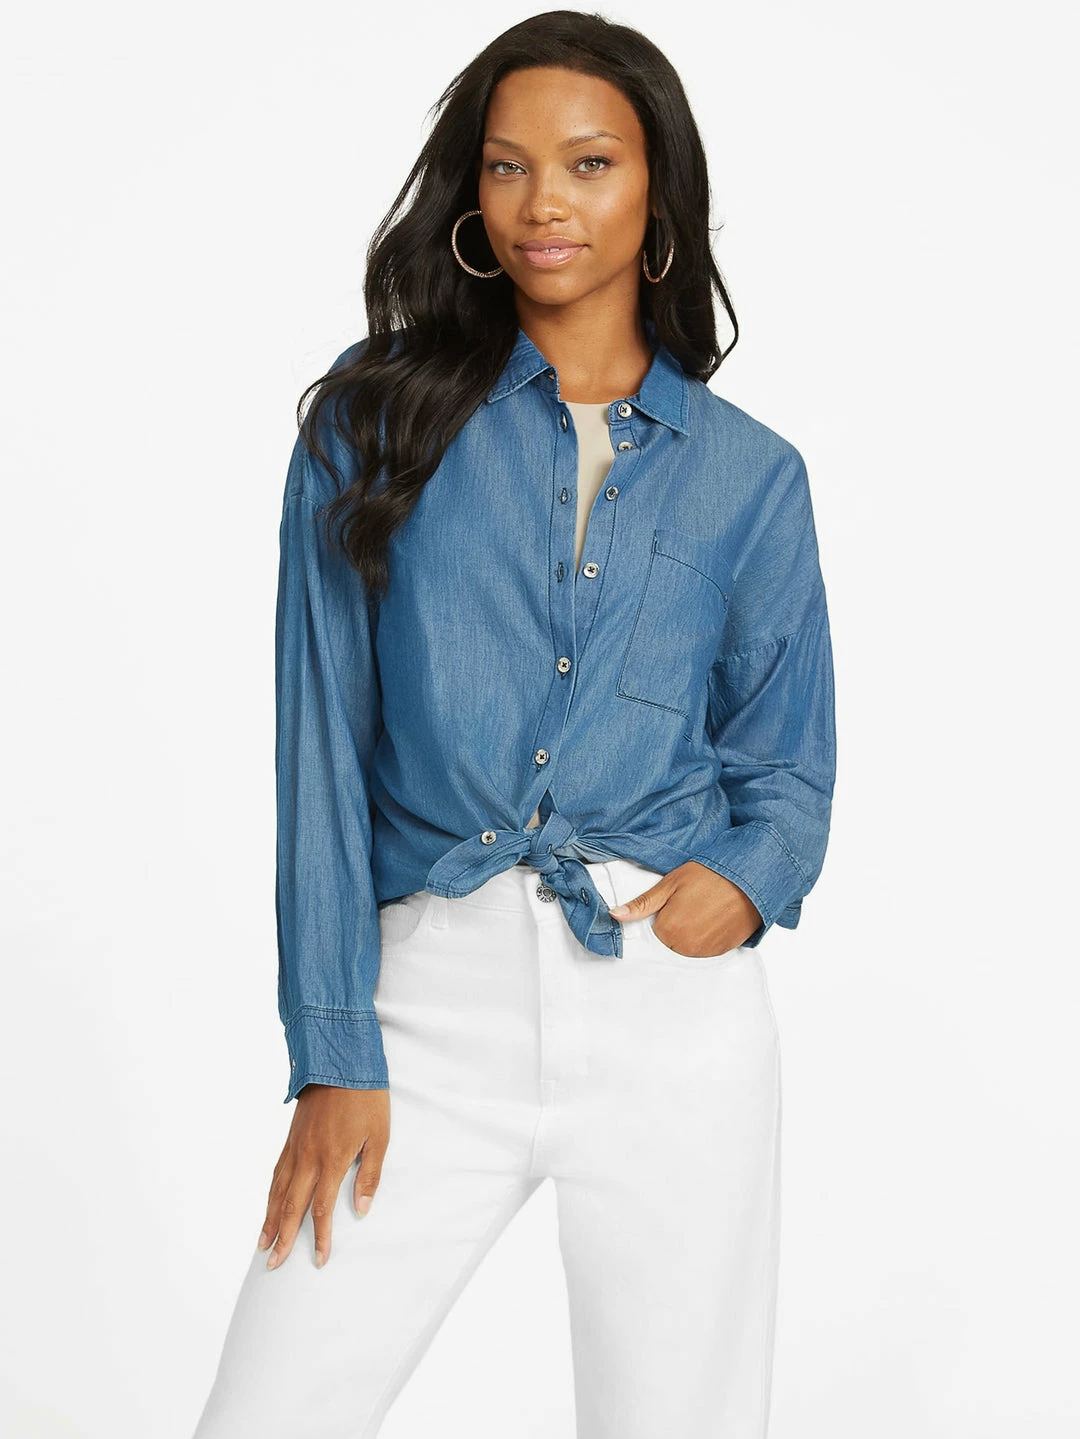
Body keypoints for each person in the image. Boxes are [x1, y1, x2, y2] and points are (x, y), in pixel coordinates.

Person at [191, 11, 836, 1438]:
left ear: (659, 192)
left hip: (673, 1016)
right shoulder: (372, 427)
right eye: (507, 165)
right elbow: (320, 761)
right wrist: (334, 1044)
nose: (545, 201)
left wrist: (743, 884)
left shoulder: (751, 478)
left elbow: (788, 765)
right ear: (471, 194)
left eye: (590, 163)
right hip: (426, 1008)